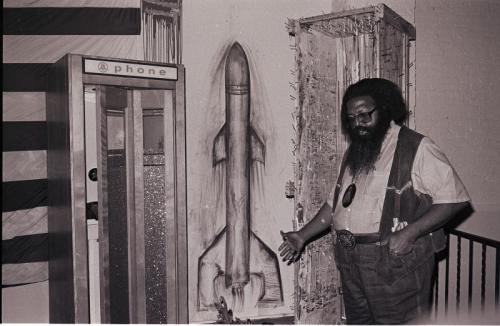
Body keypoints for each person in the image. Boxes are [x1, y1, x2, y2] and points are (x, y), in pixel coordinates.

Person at [279, 78, 471, 324]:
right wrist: (302, 235)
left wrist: (410, 233)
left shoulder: (416, 147)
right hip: (351, 260)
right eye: (351, 118)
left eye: (364, 115)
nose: (357, 123)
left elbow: (454, 199)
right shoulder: (354, 152)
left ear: (385, 108)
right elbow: (335, 204)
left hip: (395, 261)